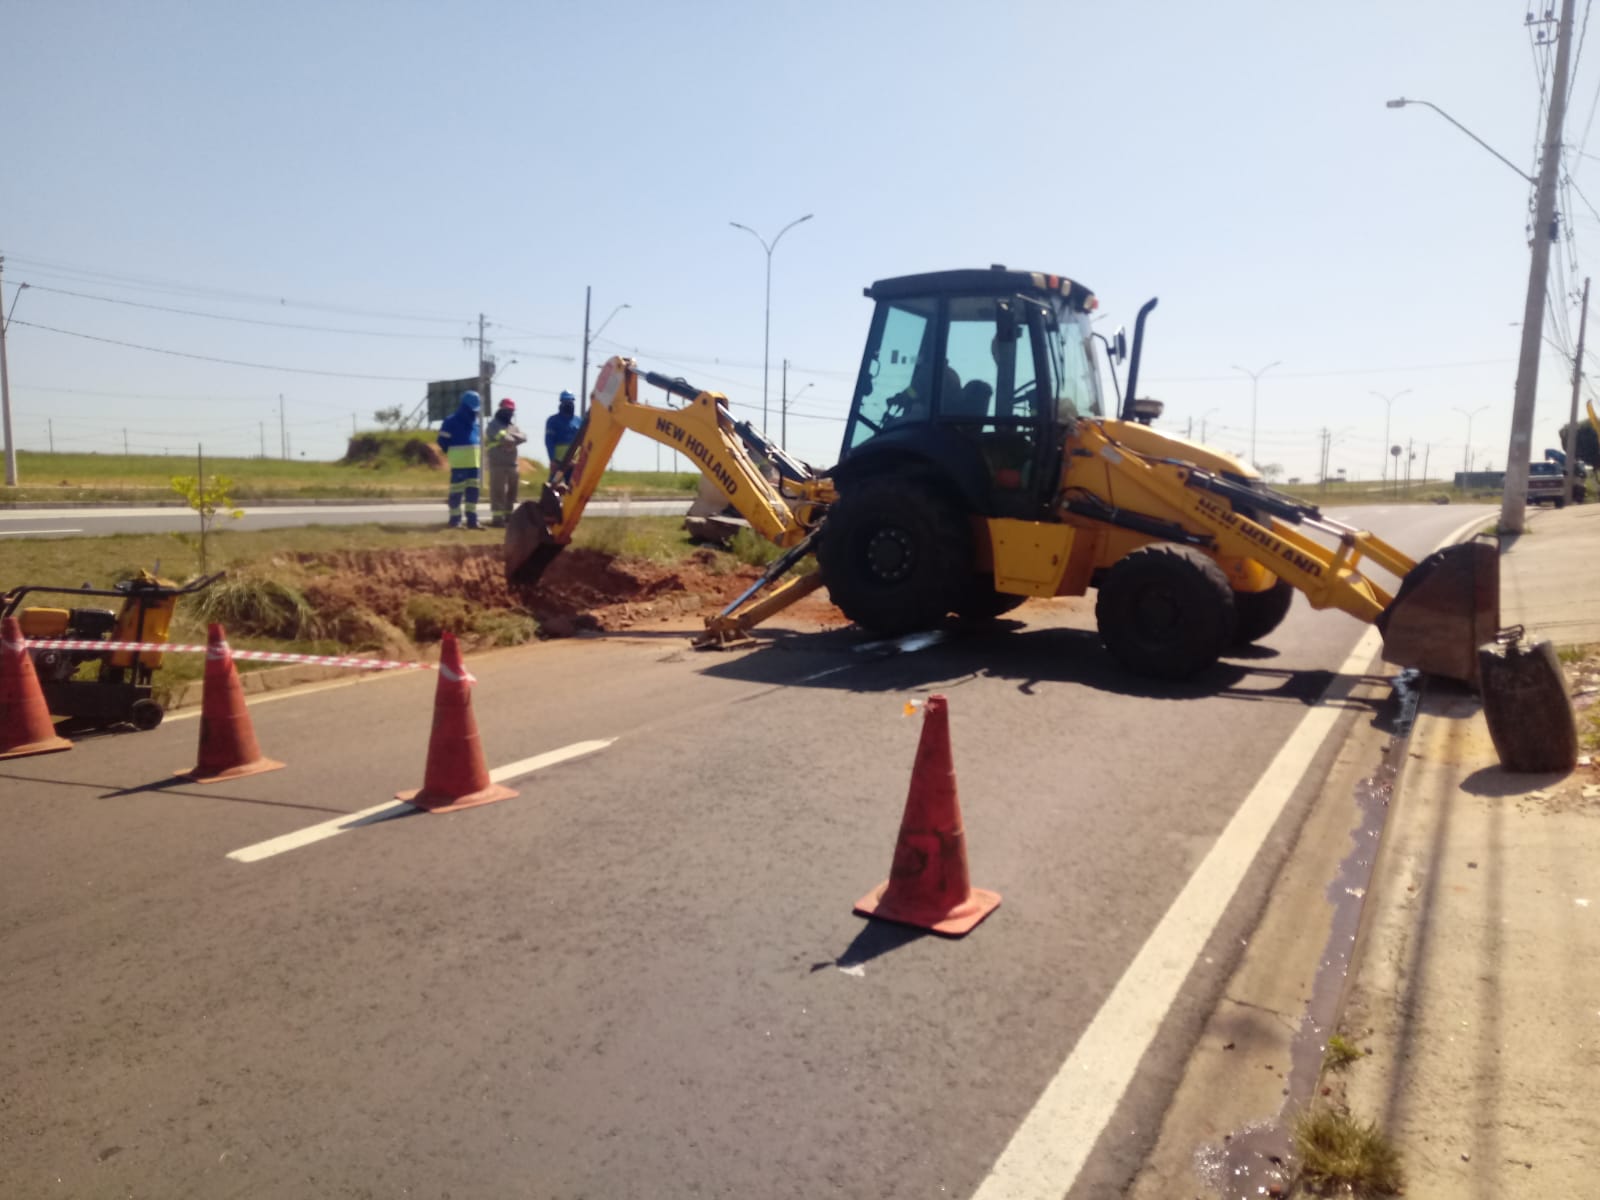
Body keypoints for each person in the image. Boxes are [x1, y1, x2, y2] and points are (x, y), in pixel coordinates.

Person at [436, 389, 483, 529]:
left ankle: (472, 521)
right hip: (459, 464)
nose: (474, 412)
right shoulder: (451, 421)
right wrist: (451, 452)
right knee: (457, 492)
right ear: (464, 406)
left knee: (473, 493)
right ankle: (455, 520)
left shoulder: (476, 424)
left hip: (474, 464)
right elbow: (442, 440)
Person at [485, 397, 528, 528]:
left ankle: (508, 517)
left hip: (512, 464)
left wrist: (513, 438)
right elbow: (506, 438)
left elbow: (524, 437)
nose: (509, 413)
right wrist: (514, 438)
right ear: (501, 409)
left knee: (512, 492)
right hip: (497, 463)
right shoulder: (493, 425)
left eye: (511, 410)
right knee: (498, 492)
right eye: (507, 410)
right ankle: (497, 519)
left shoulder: (513, 426)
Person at [545, 391, 582, 473]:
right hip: (559, 463)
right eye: (566, 402)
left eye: (571, 401)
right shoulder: (553, 421)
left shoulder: (579, 421)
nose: (569, 404)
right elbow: (549, 441)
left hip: (575, 463)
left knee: (575, 485)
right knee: (555, 484)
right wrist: (552, 460)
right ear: (561, 403)